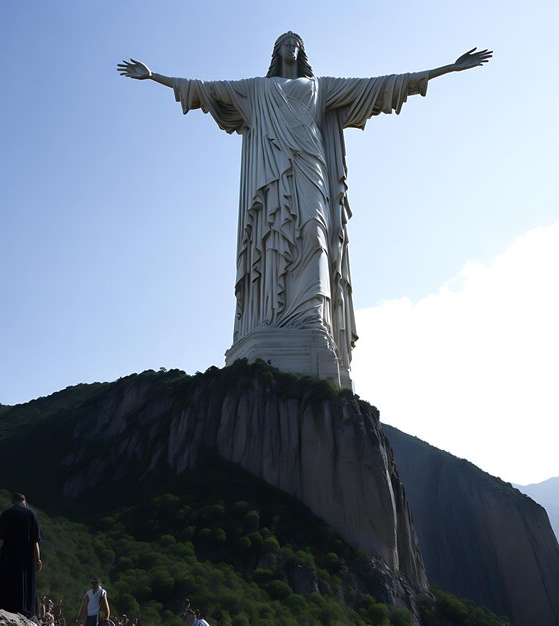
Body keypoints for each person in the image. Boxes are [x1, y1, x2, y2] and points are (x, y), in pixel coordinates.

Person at [118, 34, 491, 385]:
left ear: (302, 51)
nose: (291, 46)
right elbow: (206, 88)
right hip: (271, 176)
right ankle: (269, 318)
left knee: (315, 233)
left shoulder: (320, 87)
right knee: (273, 240)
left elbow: (380, 84)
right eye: (285, 43)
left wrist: (447, 69)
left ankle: (312, 317)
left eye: (296, 43)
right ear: (276, 51)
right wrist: (153, 77)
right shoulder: (257, 89)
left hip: (311, 168)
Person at [0, 492, 42, 618]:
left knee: (4, 593)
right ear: (24, 501)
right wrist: (38, 560)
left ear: (13, 502)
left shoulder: (8, 513)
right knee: (25, 590)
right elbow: (35, 541)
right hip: (27, 563)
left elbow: (0, 541)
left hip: (8, 559)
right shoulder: (32, 514)